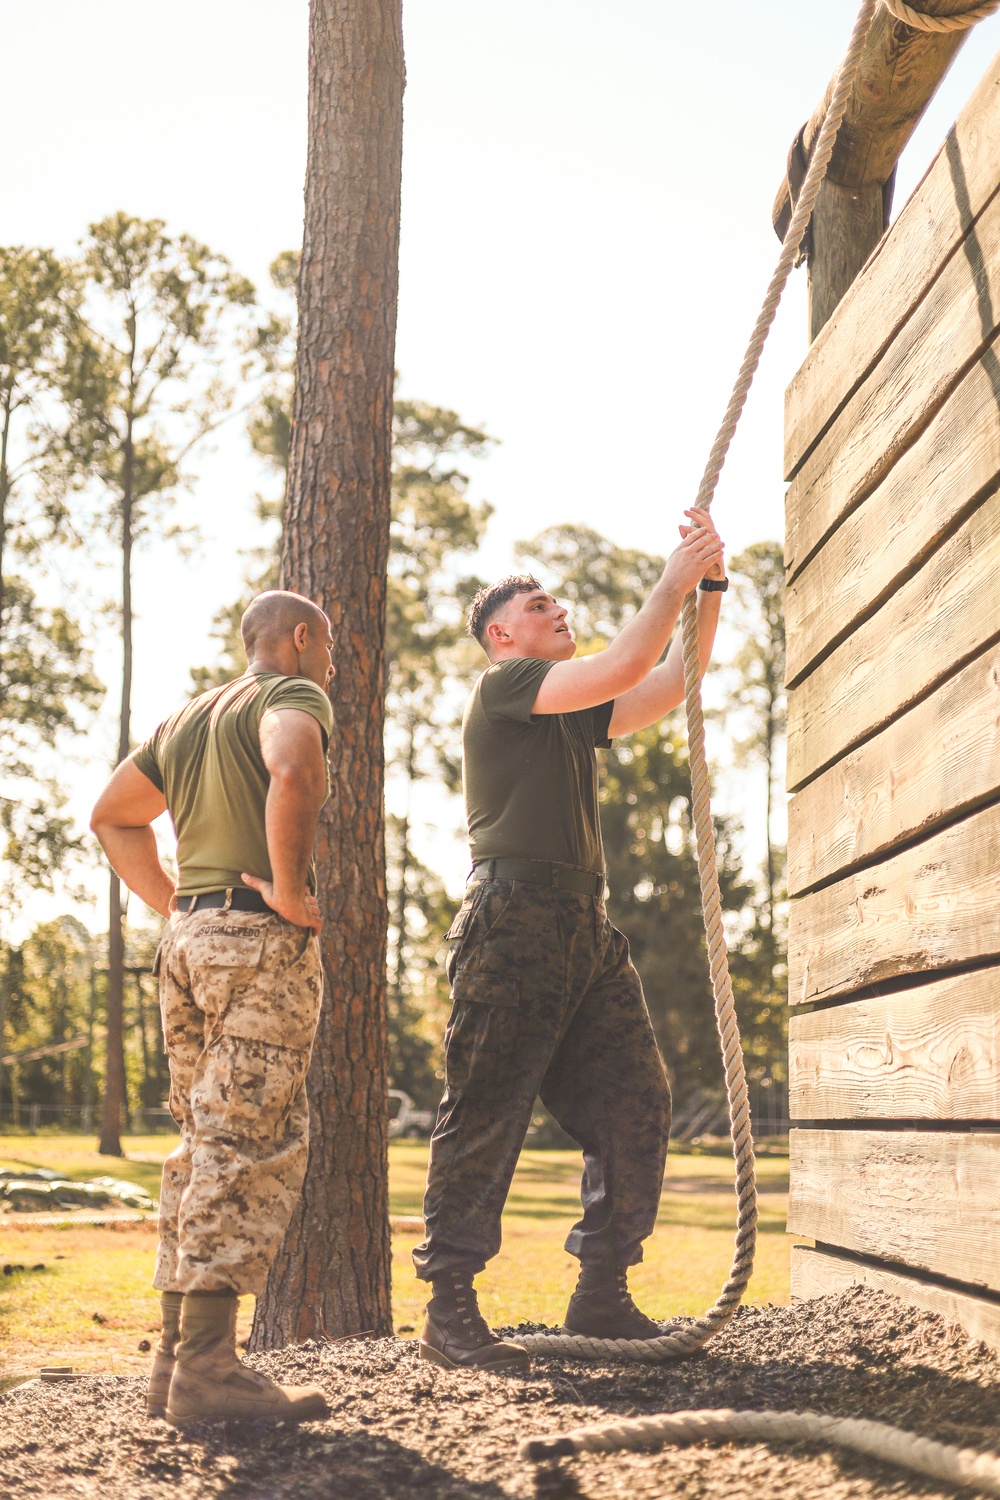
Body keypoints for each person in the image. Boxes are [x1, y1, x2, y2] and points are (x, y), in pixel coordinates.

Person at [413, 508, 727, 1371]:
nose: (560, 612)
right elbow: (627, 660)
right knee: (486, 1110)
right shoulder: (504, 689)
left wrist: (709, 588)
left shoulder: (569, 713)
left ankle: (602, 1292)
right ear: (503, 634)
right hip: (512, 922)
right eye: (542, 606)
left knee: (638, 1100)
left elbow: (666, 683)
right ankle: (450, 1311)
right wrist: (672, 576)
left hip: (584, 927)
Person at [91, 590, 336, 1426]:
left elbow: (113, 817)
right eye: (327, 647)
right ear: (298, 639)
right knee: (248, 1144)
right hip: (256, 940)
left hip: (189, 944)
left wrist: (176, 904)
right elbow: (295, 764)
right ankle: (208, 1372)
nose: (330, 665)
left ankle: (172, 1367)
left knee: (202, 1143)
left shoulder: (187, 719)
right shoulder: (289, 695)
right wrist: (292, 890)